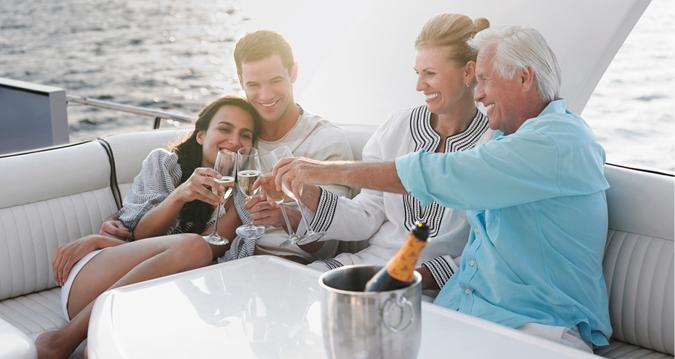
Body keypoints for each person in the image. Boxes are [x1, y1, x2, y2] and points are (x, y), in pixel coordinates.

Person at [274, 26, 611, 352]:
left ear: (524, 77)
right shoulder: (508, 140)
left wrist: (324, 171)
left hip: (538, 329)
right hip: (466, 315)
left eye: (485, 80)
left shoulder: (559, 141)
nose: (478, 94)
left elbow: (448, 174)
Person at [35, 96, 261, 359]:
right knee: (193, 245)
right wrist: (181, 194)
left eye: (245, 135)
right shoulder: (164, 164)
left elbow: (203, 256)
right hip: (95, 283)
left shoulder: (240, 198)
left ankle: (96, 344)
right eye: (225, 129)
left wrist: (106, 241)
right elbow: (141, 233)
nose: (234, 140)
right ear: (201, 135)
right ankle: (63, 339)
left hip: (153, 295)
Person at [283, 14, 493, 281]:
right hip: (370, 264)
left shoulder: (492, 144)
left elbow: (488, 246)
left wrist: (419, 276)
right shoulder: (399, 127)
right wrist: (308, 193)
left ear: (467, 72)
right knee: (299, 284)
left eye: (430, 74)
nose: (419, 86)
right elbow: (367, 215)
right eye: (418, 74)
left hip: (435, 284)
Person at [230, 30, 353, 263]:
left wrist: (283, 215)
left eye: (275, 81)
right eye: (253, 85)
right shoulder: (238, 137)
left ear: (293, 72)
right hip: (236, 259)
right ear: (240, 81)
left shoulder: (327, 141)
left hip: (295, 267)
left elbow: (328, 245)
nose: (265, 96)